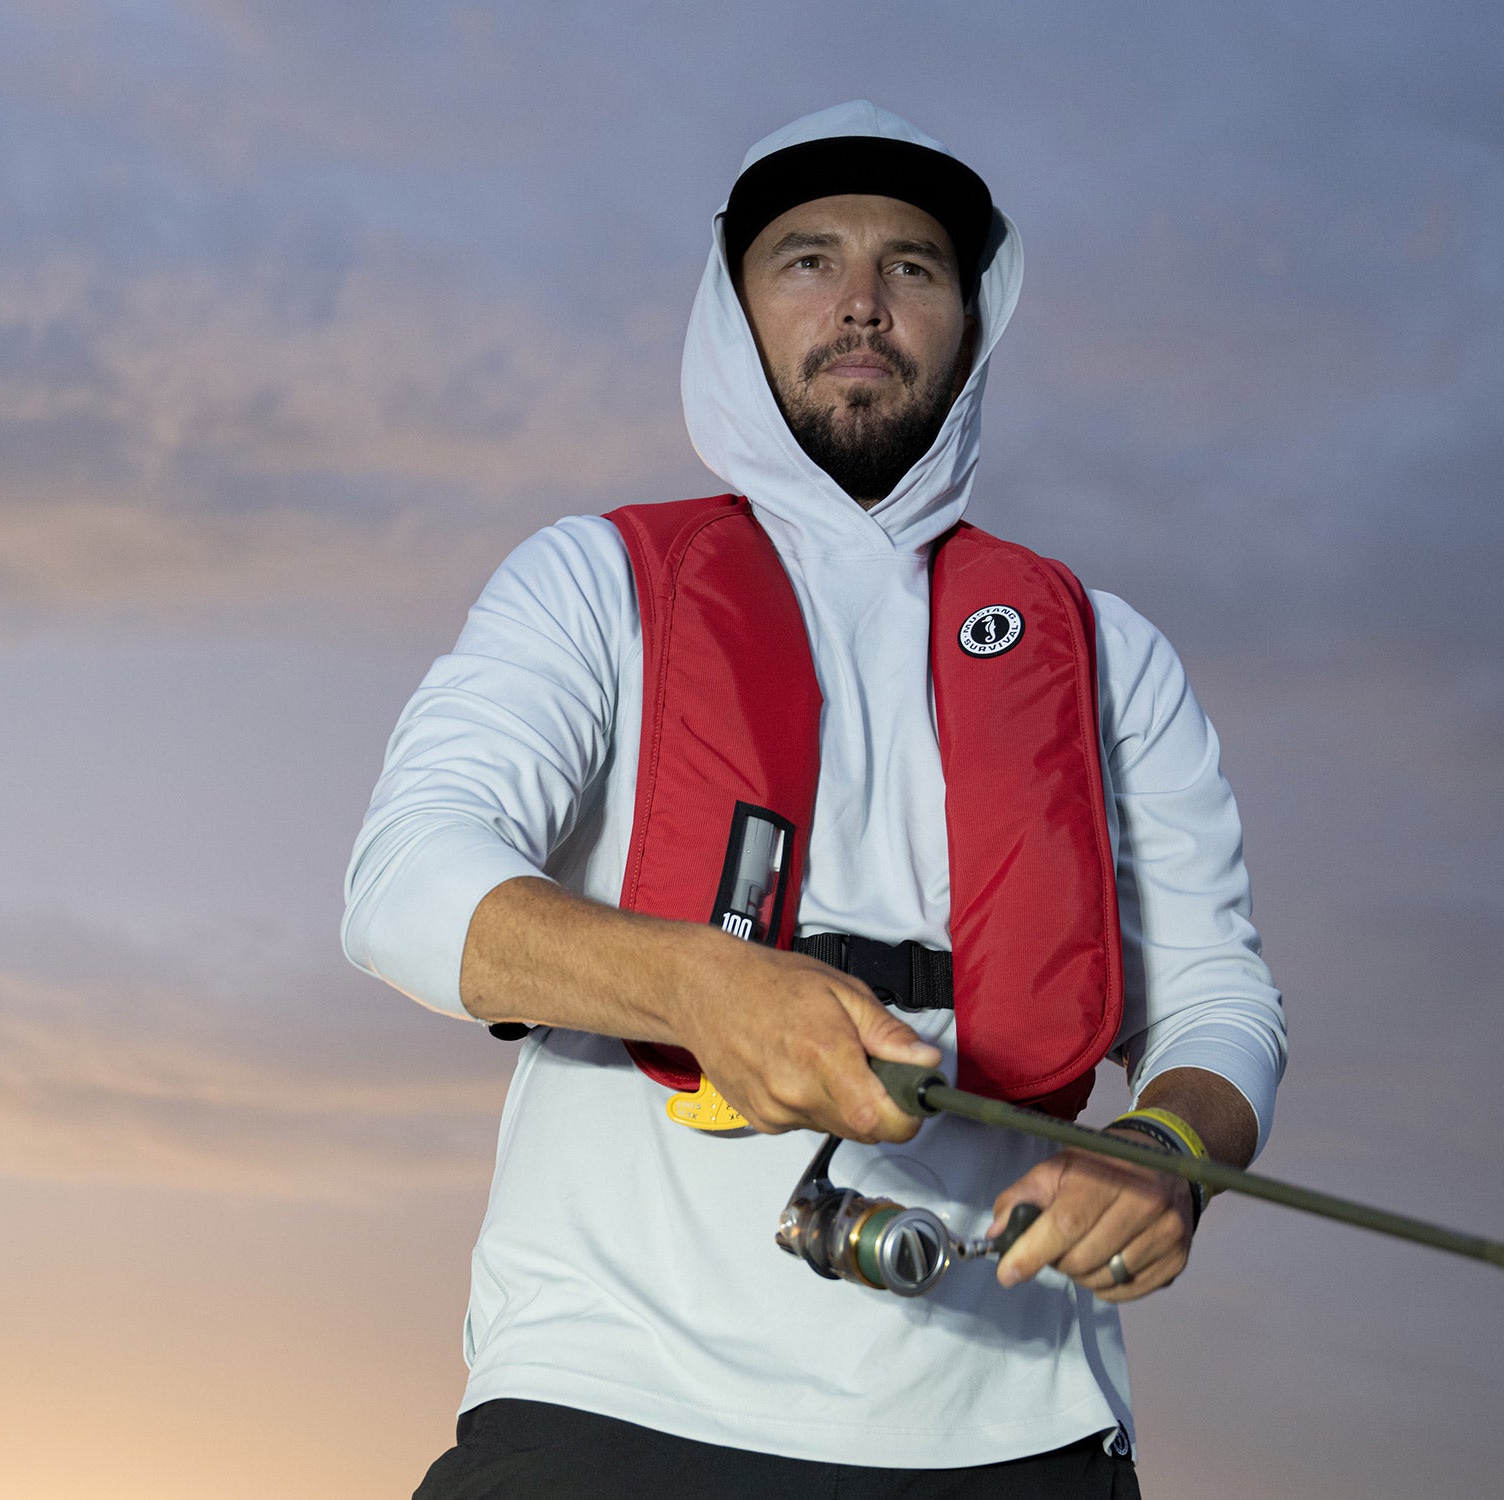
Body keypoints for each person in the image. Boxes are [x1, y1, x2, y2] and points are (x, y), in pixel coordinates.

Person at [345, 101, 1286, 1498]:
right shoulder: (588, 580)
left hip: (1020, 1434)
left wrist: (1167, 1152)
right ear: (730, 310)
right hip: (611, 1404)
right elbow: (403, 889)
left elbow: (1220, 999)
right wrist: (700, 986)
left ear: (970, 319)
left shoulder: (1107, 651)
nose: (859, 302)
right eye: (806, 259)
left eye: (910, 267)